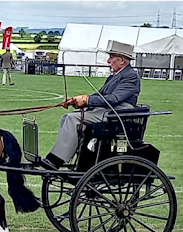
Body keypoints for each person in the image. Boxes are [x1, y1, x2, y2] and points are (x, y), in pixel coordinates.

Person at [41, 40, 140, 170]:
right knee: (67, 116)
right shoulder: (114, 76)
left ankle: (56, 160)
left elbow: (114, 99)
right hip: (106, 112)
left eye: (111, 58)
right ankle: (72, 156)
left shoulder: (130, 76)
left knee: (73, 119)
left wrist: (87, 101)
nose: (108, 61)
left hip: (117, 115)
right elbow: (99, 95)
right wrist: (77, 101)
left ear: (121, 60)